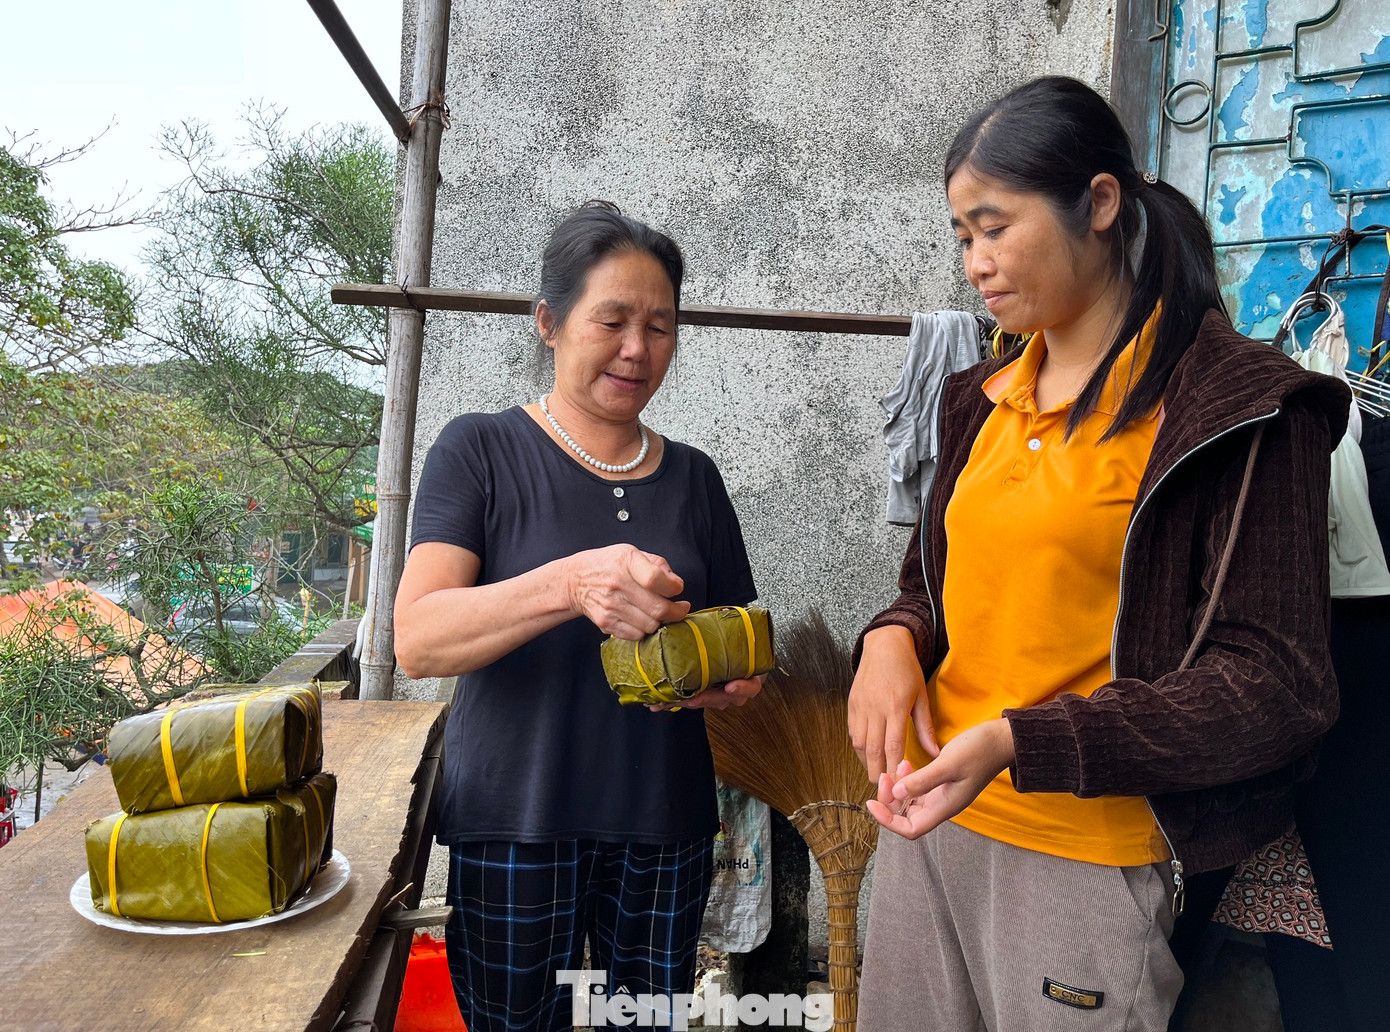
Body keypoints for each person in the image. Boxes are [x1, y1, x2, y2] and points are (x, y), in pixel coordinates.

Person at [847, 77, 1349, 1032]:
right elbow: (931, 583)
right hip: (927, 822)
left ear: (1101, 202)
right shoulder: (982, 397)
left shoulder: (1237, 407)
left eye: (996, 228)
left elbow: (1277, 686)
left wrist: (1022, 741)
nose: (976, 263)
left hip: (1085, 855)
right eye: (962, 237)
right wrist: (891, 638)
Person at [394, 200, 762, 1032]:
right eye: (613, 320)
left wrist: (731, 681)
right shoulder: (480, 450)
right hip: (516, 822)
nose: (637, 348)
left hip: (664, 824)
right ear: (549, 323)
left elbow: (739, 641)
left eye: (660, 327)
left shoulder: (696, 479)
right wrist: (570, 584)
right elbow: (418, 639)